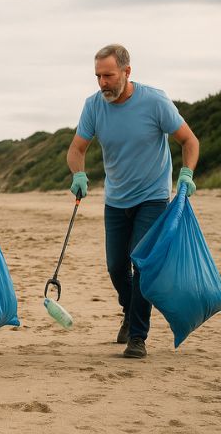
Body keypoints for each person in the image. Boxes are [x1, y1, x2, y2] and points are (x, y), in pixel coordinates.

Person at [66, 44, 199, 359]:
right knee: (115, 266)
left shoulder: (155, 101)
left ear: (127, 72)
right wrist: (78, 175)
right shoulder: (93, 106)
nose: (102, 83)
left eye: (108, 75)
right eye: (98, 76)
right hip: (115, 200)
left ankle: (137, 336)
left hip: (152, 198)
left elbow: (189, 140)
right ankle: (129, 309)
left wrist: (186, 174)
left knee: (141, 264)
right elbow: (77, 149)